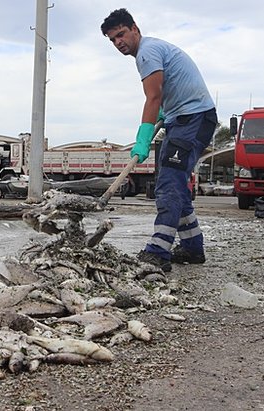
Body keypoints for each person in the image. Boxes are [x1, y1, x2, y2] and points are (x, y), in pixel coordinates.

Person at [101, 8, 217, 273]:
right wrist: (165, 111)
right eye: (113, 39)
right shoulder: (151, 50)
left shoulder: (147, 52)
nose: (118, 42)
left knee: (168, 184)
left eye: (121, 34)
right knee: (175, 183)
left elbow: (153, 97)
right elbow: (164, 92)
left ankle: (158, 251)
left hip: (192, 118)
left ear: (135, 29)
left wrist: (142, 139)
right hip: (184, 118)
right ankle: (192, 247)